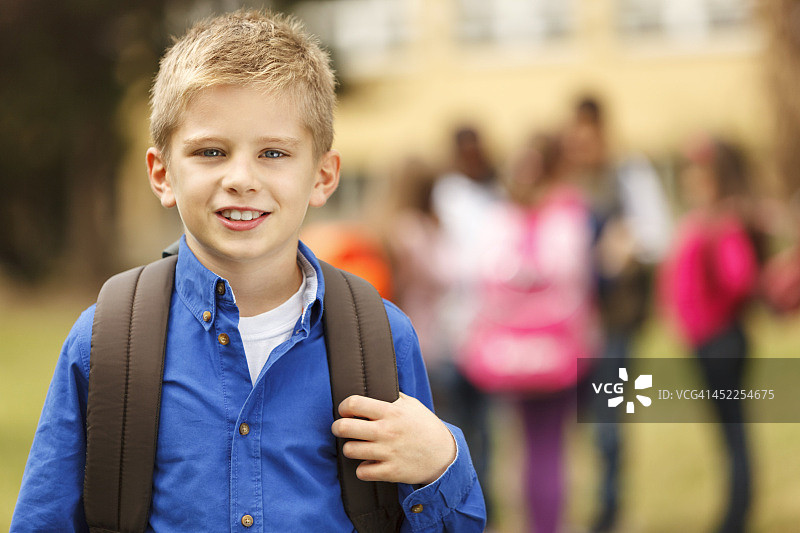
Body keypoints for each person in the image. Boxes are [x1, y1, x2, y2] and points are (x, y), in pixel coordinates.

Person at [11, 10, 485, 532]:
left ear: (323, 176)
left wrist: (442, 461)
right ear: (162, 174)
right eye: (211, 152)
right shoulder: (104, 341)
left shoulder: (382, 338)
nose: (241, 179)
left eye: (274, 153)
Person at [461, 134, 598, 533]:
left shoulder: (496, 223)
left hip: (513, 350)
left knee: (525, 446)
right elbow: (578, 280)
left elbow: (482, 282)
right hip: (557, 348)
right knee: (550, 446)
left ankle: (537, 523)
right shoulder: (564, 219)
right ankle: (549, 525)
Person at [563, 96, 672, 532]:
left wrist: (629, 242)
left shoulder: (629, 172)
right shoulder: (567, 180)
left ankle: (609, 510)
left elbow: (660, 235)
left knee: (608, 422)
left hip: (615, 322)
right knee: (575, 424)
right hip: (569, 324)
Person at [659, 136, 758, 533]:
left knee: (732, 430)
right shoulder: (703, 218)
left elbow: (741, 278)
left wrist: (712, 306)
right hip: (705, 339)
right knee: (725, 431)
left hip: (720, 339)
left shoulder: (723, 221)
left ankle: (735, 516)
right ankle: (733, 511)